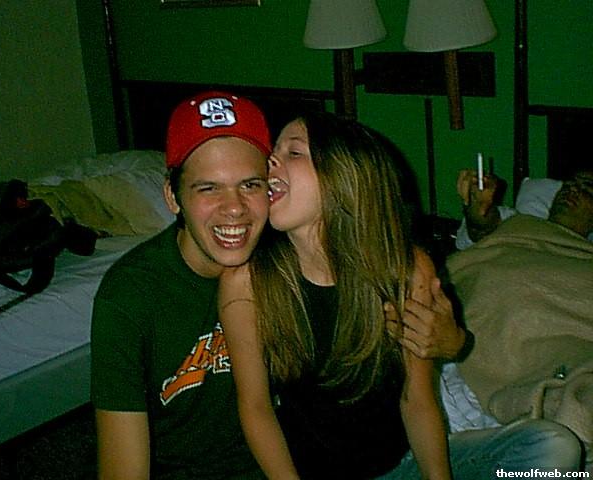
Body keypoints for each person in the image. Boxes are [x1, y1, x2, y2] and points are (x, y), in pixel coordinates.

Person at [219, 111, 583, 480]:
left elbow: (417, 399)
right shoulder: (247, 280)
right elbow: (256, 408)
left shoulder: (407, 270)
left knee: (554, 448)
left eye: (294, 152)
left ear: (345, 176)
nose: (270, 160)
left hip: (399, 467)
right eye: (273, 150)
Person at [90, 91, 272, 479]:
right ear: (173, 197)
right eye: (208, 188)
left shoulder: (280, 259)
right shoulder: (128, 296)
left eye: (250, 185)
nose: (235, 207)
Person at [456, 168, 593, 249]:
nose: (572, 189)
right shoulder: (520, 222)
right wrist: (478, 205)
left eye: (586, 189)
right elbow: (483, 227)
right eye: (567, 185)